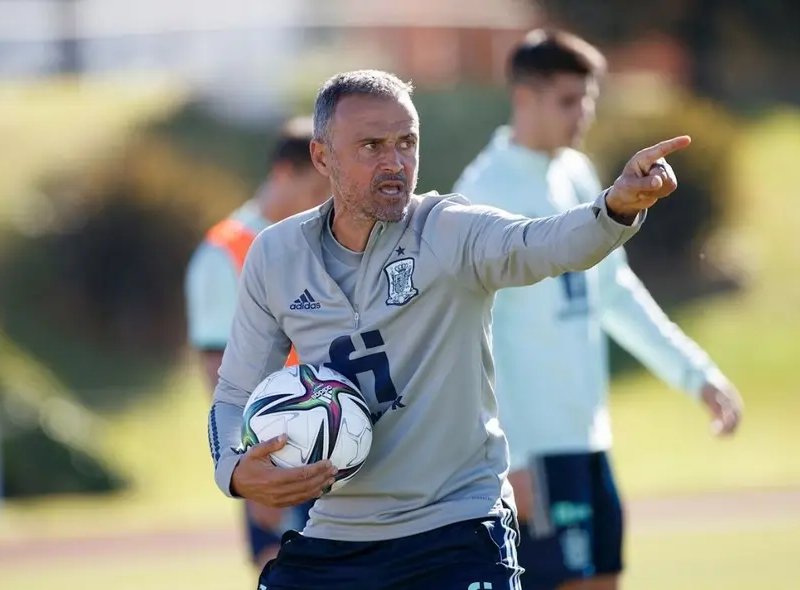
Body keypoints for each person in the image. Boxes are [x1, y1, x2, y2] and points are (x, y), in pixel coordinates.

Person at [208, 68, 690, 590]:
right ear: (322, 157)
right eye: (371, 145)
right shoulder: (275, 255)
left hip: (456, 533)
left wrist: (614, 207)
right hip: (335, 538)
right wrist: (235, 468)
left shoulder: (448, 229)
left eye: (406, 143)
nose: (395, 162)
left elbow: (545, 243)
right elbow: (234, 393)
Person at [452, 30, 744, 590]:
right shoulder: (482, 192)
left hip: (589, 439)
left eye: (588, 98)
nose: (583, 113)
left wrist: (695, 373)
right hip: (531, 450)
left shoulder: (578, 175)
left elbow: (615, 295)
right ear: (523, 97)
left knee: (605, 579)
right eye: (567, 100)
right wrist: (509, 453)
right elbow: (472, 338)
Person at [185, 116, 330, 569]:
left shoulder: (316, 241)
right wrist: (244, 463)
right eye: (315, 192)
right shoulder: (225, 250)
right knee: (284, 572)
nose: (323, 205)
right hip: (271, 448)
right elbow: (216, 366)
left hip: (331, 437)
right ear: (284, 173)